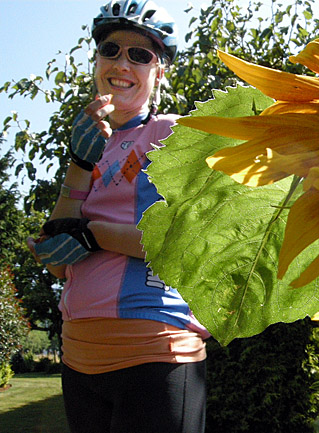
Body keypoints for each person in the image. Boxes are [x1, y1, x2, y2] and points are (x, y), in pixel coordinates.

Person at [27, 1, 209, 432]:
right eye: (111, 50)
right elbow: (59, 262)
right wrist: (78, 162)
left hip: (156, 350)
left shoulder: (173, 133)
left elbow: (185, 244)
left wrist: (94, 234)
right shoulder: (89, 144)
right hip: (78, 355)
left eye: (140, 55)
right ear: (97, 61)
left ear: (158, 73)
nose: (122, 63)